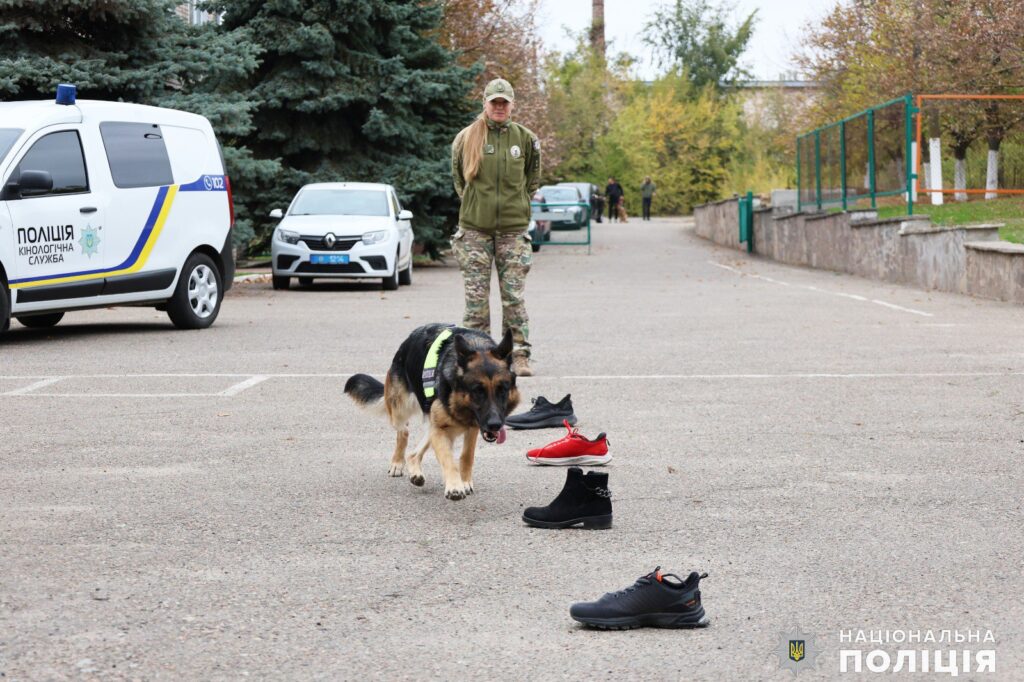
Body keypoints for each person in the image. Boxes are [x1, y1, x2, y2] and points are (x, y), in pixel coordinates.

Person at [451, 78, 540, 376]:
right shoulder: (466, 138)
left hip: (513, 232)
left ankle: (518, 355)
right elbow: (459, 182)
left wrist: (515, 206)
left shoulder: (525, 139)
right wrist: (479, 207)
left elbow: (532, 181)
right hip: (475, 231)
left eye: (504, 102)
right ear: (485, 104)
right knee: (476, 301)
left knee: (513, 297)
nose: (499, 107)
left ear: (512, 105)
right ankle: (476, 357)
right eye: (494, 102)